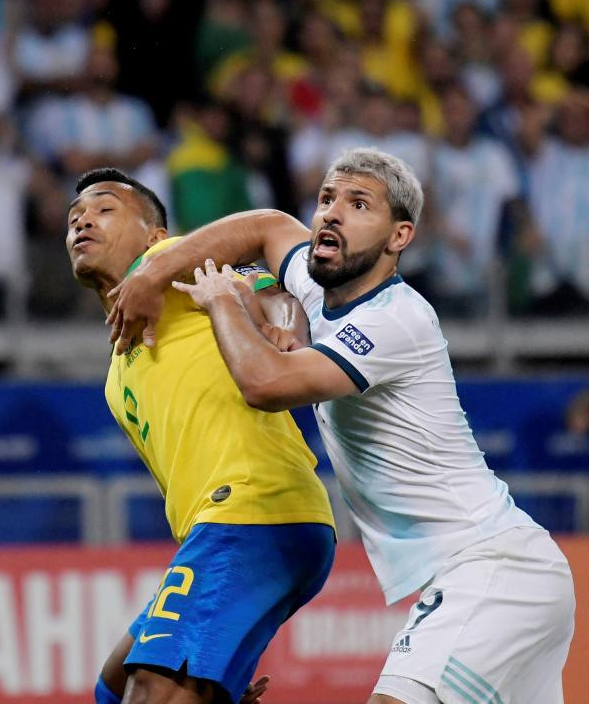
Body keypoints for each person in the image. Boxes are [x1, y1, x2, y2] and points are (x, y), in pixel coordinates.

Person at [109, 148, 574, 704]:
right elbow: (266, 225)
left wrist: (220, 300)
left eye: (359, 205)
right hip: (505, 574)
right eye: (327, 198)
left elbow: (266, 384)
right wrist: (158, 269)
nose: (331, 213)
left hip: (492, 568)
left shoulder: (394, 318)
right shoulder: (315, 283)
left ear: (399, 237)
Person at [66, 167, 335, 704]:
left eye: (103, 209)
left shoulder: (175, 271)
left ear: (154, 236)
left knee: (153, 691)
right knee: (113, 688)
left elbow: (269, 280)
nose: (82, 221)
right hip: (224, 530)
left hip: (253, 509)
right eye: (74, 218)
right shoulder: (117, 379)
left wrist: (284, 327)